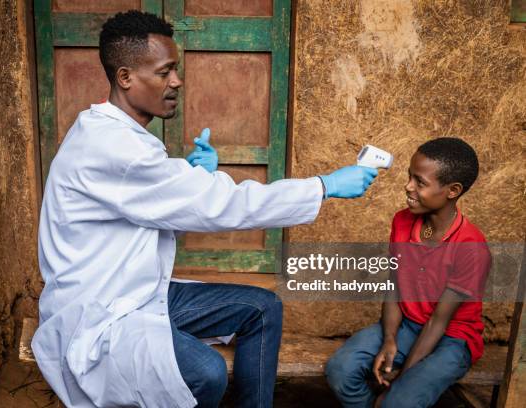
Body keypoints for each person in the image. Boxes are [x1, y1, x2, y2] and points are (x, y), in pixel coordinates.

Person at [32, 10, 378, 408]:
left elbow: (150, 211)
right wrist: (324, 186)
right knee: (205, 373)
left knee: (261, 308)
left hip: (136, 290)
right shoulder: (112, 146)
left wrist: (192, 176)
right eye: (164, 72)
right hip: (101, 310)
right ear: (125, 77)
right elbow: (222, 205)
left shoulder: (119, 136)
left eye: (175, 70)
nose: (176, 81)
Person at [325, 137, 491, 408]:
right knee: (340, 370)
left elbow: (439, 320)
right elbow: (394, 285)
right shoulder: (402, 222)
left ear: (453, 190)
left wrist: (402, 378)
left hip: (452, 337)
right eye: (409, 177)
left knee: (397, 401)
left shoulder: (471, 246)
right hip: (406, 326)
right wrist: (390, 339)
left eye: (420, 182)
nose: (408, 186)